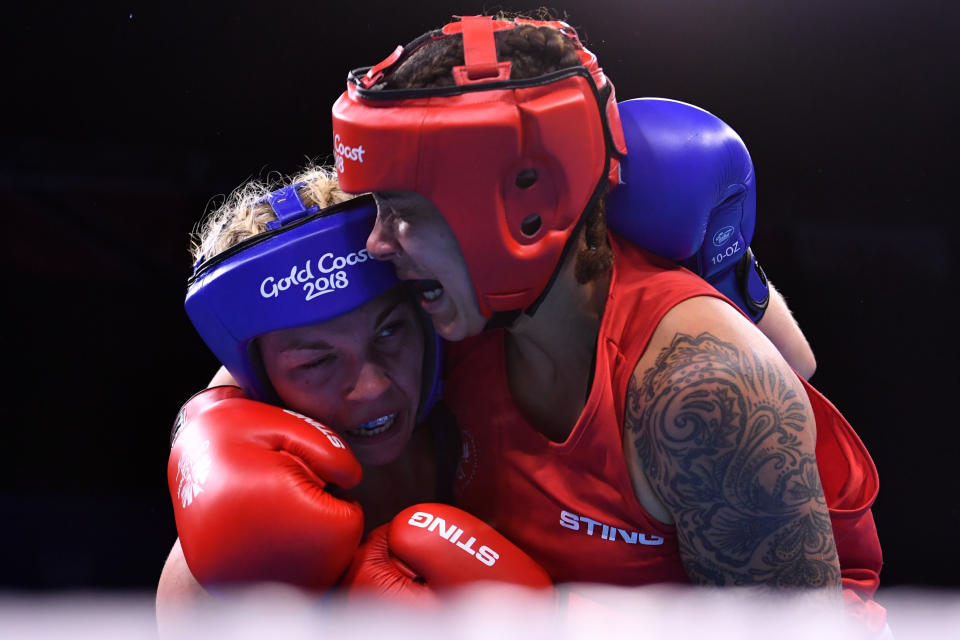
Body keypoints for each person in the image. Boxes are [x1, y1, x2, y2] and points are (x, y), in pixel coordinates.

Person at [331, 12, 884, 632]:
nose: (376, 243)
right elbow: (269, 331)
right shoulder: (449, 308)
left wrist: (558, 621)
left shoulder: (701, 390)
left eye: (401, 211)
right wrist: (212, 431)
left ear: (519, 206)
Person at [156, 167, 551, 627]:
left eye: (390, 331)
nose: (373, 386)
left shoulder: (504, 387)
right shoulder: (230, 561)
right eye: (316, 363)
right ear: (259, 380)